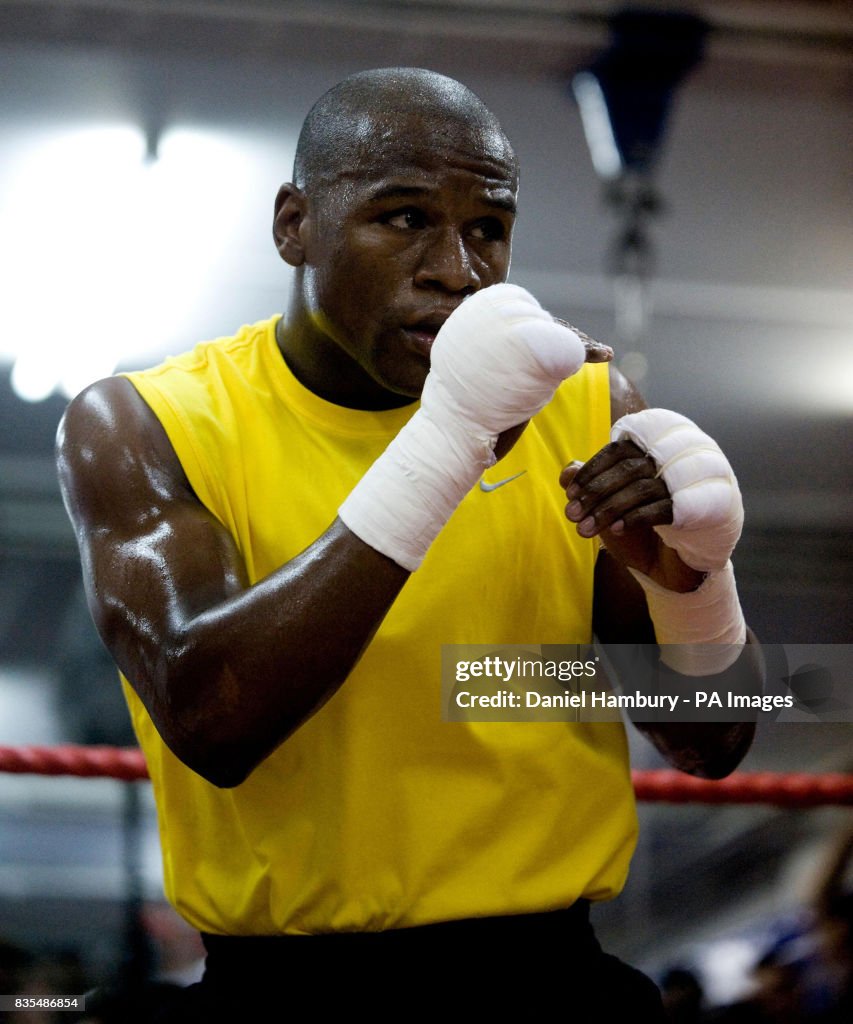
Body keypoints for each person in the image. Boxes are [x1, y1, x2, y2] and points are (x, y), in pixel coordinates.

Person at [55, 67, 762, 1020]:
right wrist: (446, 444)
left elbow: (713, 743)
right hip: (285, 992)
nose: (457, 271)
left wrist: (699, 585)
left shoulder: (582, 407)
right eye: (403, 218)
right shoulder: (148, 422)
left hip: (551, 983)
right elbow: (212, 721)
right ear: (293, 224)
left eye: (487, 229)